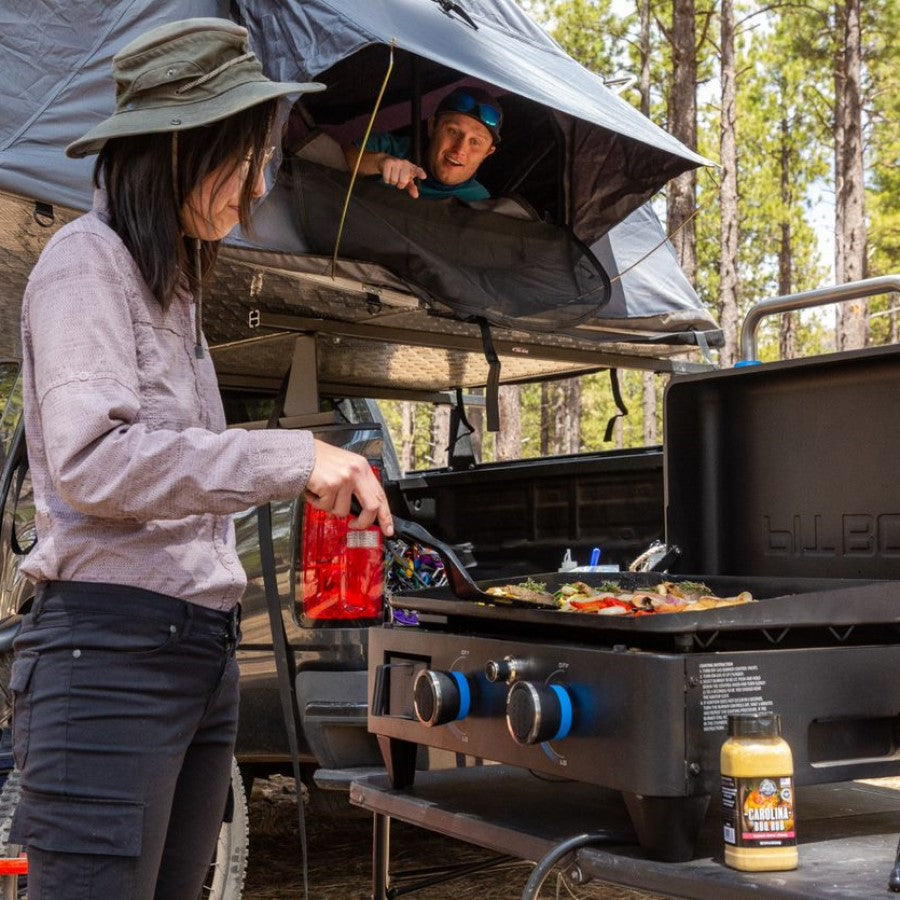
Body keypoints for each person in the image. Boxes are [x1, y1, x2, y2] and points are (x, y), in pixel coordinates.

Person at [10, 17, 392, 899]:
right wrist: (288, 459)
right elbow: (91, 464)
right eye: (247, 159)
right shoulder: (84, 267)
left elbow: (179, 462)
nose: (257, 188)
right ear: (181, 147)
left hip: (193, 654)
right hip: (107, 662)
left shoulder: (170, 289)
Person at [342, 86, 503, 201]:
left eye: (475, 142)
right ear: (432, 126)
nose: (460, 149)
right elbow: (337, 157)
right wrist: (377, 163)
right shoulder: (387, 149)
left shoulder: (481, 202)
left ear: (488, 153)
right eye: (453, 132)